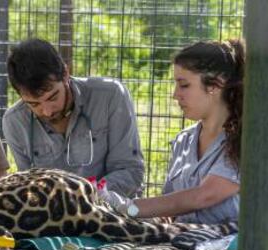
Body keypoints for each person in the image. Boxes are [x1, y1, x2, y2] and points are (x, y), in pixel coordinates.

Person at [98, 39, 244, 224]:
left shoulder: (245, 139)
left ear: (214, 85)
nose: (175, 94)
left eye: (184, 85)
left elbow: (204, 196)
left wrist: (128, 207)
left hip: (228, 247)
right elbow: (169, 208)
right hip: (182, 245)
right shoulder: (183, 140)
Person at [2, 38, 144, 197]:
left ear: (65, 74)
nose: (47, 111)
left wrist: (83, 196)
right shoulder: (14, 122)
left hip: (110, 211)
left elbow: (131, 172)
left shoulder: (111, 96)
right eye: (34, 104)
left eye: (52, 97)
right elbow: (29, 187)